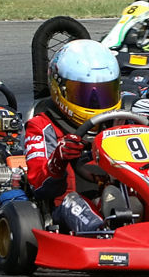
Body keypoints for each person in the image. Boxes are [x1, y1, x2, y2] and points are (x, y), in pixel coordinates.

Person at [24, 39, 121, 233]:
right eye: (84, 94)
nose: (98, 103)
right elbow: (38, 185)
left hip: (116, 198)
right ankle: (101, 234)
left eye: (105, 93)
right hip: (66, 207)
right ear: (60, 89)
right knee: (73, 203)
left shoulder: (123, 120)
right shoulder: (42, 126)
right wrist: (58, 160)